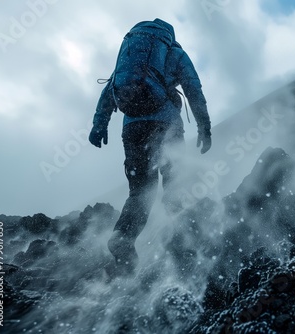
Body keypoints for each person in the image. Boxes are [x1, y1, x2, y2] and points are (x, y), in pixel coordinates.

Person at [88, 18, 212, 276]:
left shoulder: (130, 54)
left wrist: (99, 126)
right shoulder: (174, 51)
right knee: (175, 184)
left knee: (140, 192)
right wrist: (204, 127)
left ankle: (122, 237)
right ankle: (183, 248)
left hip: (131, 129)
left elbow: (109, 91)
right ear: (170, 35)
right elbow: (193, 89)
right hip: (165, 125)